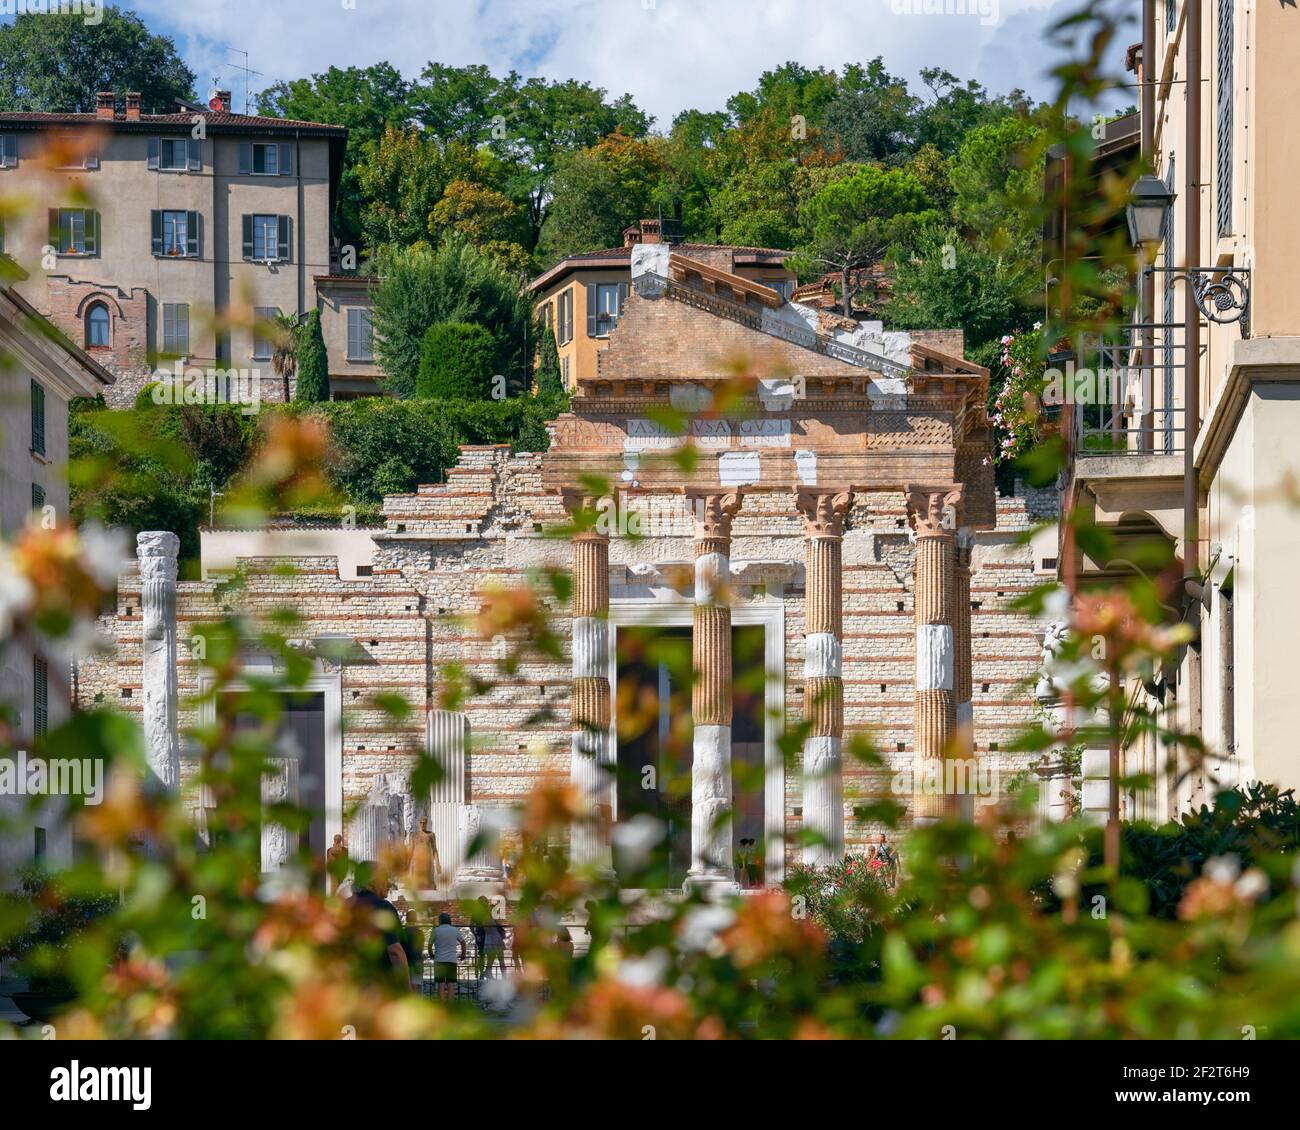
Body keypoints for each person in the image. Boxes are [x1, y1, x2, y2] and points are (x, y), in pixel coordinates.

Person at [349, 861, 411, 990]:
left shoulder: (343, 906)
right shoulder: (383, 907)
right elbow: (395, 952)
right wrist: (407, 990)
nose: (389, 883)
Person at [428, 911, 466, 1003]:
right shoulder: (454, 930)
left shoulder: (436, 930)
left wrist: (431, 954)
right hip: (451, 960)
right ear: (449, 920)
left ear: (440, 921)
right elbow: (463, 942)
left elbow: (429, 945)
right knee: (451, 985)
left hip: (439, 960)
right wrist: (463, 954)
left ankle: (442, 1006)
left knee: (440, 985)